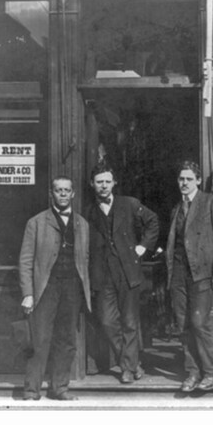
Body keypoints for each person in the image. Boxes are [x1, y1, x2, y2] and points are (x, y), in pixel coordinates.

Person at [85, 162, 159, 384]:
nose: (104, 186)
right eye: (99, 182)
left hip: (128, 271)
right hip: (102, 274)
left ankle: (126, 368)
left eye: (108, 181)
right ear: (92, 184)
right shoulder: (87, 212)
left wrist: (142, 247)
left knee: (129, 321)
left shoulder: (129, 204)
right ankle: (132, 363)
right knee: (107, 321)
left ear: (114, 183)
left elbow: (153, 222)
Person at [18, 176, 90, 401]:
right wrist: (28, 294)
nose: (62, 194)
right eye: (58, 190)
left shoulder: (82, 224)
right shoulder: (36, 223)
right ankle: (31, 390)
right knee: (40, 339)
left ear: (73, 194)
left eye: (66, 190)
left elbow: (85, 259)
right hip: (45, 288)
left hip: (72, 287)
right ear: (52, 193)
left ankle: (60, 388)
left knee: (66, 340)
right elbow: (26, 260)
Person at [165, 161, 213, 392]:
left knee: (198, 322)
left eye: (188, 179)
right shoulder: (176, 208)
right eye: (181, 179)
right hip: (179, 274)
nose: (184, 183)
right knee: (183, 325)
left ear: (197, 180)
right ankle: (192, 372)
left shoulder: (212, 203)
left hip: (202, 274)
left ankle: (211, 371)